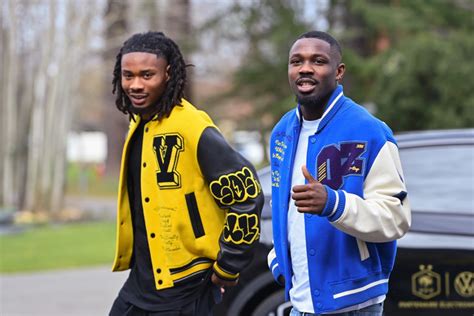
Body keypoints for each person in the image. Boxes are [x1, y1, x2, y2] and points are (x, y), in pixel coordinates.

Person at [109, 31, 264, 316]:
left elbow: (247, 195)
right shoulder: (138, 126)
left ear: (168, 74)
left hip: (186, 287)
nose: (135, 85)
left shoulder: (192, 126)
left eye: (147, 75)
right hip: (142, 284)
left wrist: (228, 268)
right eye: (128, 75)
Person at [267, 31, 411, 316]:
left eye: (318, 61)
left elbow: (397, 218)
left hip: (354, 304)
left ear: (339, 71)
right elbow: (281, 208)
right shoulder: (281, 133)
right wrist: (279, 262)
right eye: (296, 61)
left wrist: (334, 204)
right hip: (300, 302)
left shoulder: (369, 130)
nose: (305, 68)